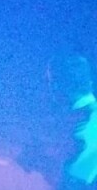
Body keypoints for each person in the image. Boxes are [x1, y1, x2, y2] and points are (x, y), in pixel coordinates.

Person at [50, 54, 97, 188]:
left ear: (59, 85)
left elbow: (76, 183)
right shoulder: (88, 114)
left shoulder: (84, 123)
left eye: (51, 81)